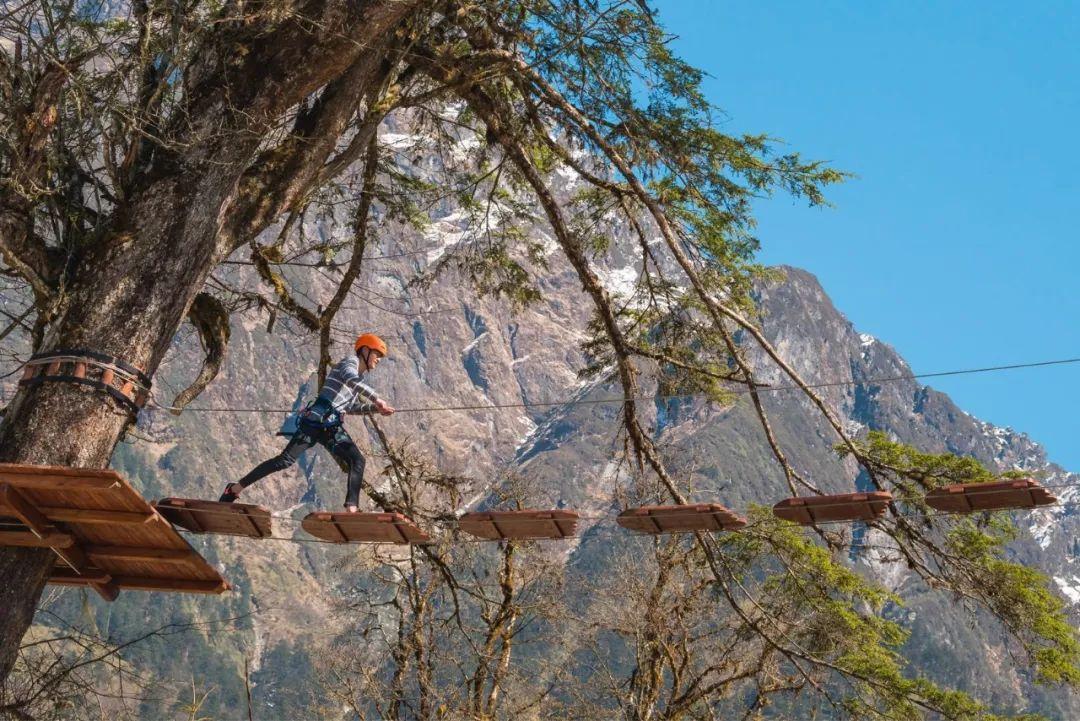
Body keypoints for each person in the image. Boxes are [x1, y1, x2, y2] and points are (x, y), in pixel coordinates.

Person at [220, 333, 395, 512]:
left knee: (357, 460)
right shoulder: (349, 362)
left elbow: (349, 408)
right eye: (377, 354)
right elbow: (350, 379)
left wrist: (376, 409)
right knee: (284, 461)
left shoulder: (360, 381)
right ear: (365, 350)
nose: (379, 360)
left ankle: (352, 507)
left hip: (331, 426)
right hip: (315, 420)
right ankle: (234, 489)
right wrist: (377, 400)